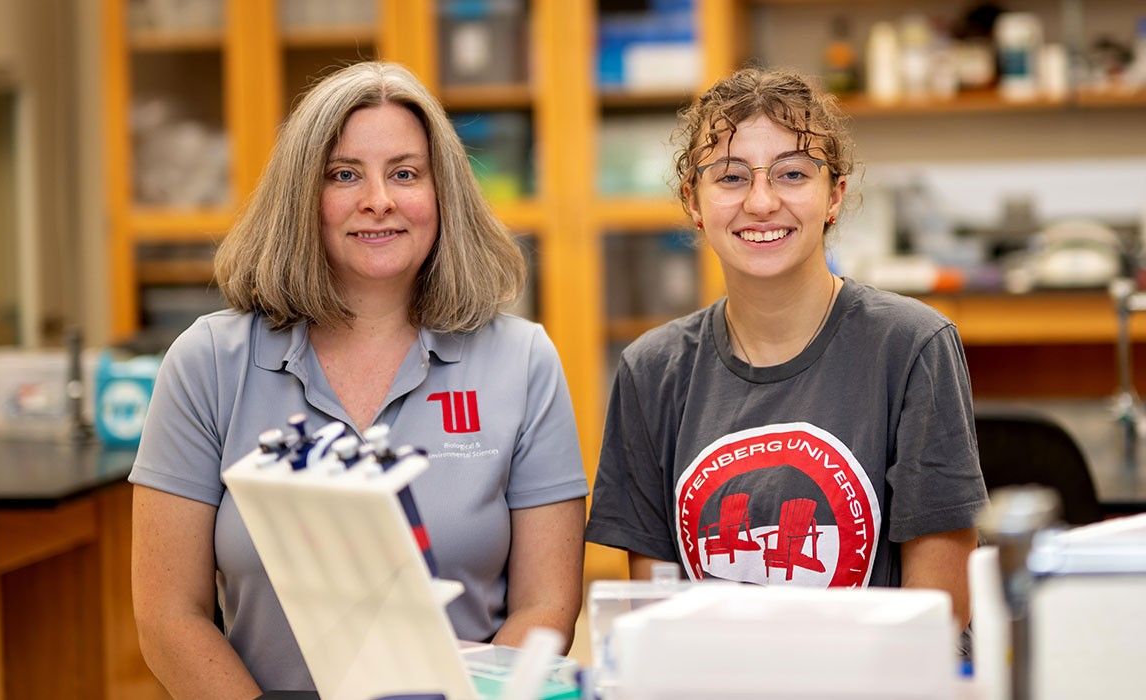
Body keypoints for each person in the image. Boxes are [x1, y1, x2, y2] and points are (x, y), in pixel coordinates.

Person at [130, 61, 588, 696]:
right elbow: (167, 617)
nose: (379, 200)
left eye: (405, 173)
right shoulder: (208, 361)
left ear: (442, 194)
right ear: (302, 198)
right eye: (345, 175)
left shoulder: (522, 361)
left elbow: (545, 609)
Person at [585, 66, 988, 628]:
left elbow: (943, 623)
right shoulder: (652, 371)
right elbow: (659, 623)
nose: (761, 201)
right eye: (730, 177)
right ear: (692, 202)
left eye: (792, 174)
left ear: (834, 196)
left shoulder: (912, 346)